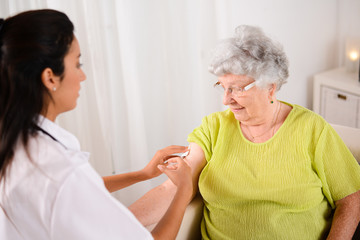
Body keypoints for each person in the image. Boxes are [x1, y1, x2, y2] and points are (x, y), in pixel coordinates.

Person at [128, 25, 360, 239]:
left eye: (237, 89)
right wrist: (114, 222)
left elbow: (351, 199)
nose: (227, 100)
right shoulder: (213, 128)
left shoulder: (312, 129)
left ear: (270, 87)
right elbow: (172, 189)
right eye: (223, 87)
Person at [0, 9, 193, 240]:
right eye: (77, 64)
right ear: (50, 77)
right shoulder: (59, 170)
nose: (82, 76)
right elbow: (68, 187)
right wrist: (184, 191)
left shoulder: (17, 143)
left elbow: (75, 193)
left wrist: (142, 174)